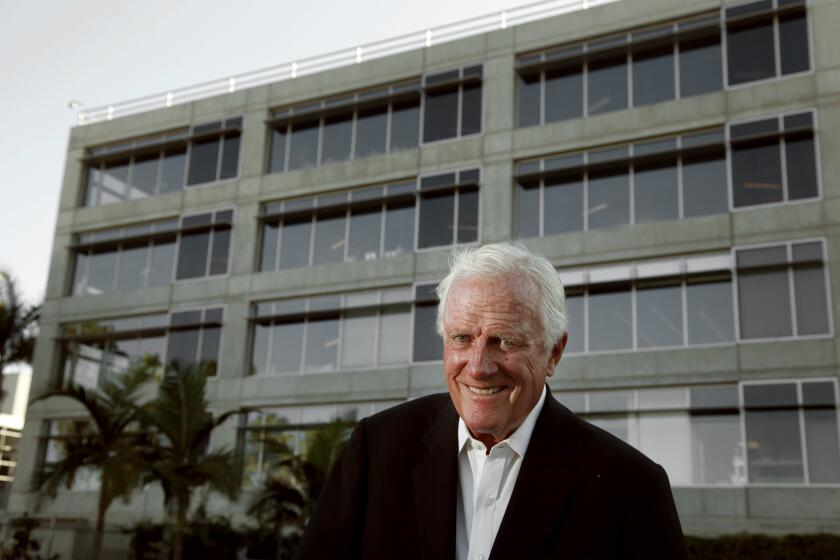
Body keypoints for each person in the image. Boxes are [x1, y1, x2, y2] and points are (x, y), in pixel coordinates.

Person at [295, 243, 686, 559]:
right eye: (462, 339)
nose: (479, 368)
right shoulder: (375, 448)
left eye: (507, 341)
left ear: (553, 353)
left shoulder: (632, 488)